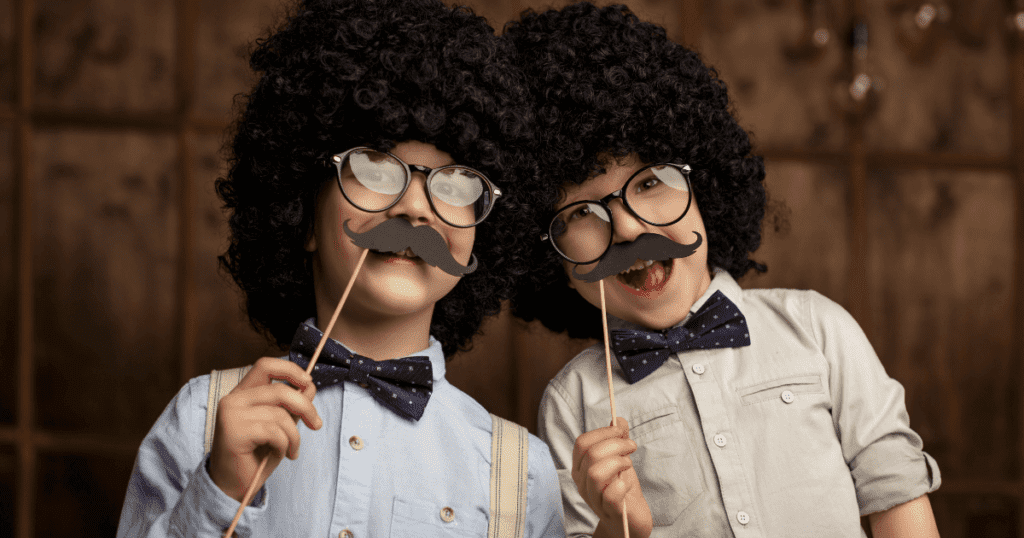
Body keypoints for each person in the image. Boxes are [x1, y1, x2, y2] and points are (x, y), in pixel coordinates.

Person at [116, 0, 564, 535]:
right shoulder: (200, 420)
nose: (414, 208)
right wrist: (220, 493)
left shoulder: (523, 474)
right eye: (375, 168)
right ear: (302, 214)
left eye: (455, 183)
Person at [503, 3, 941, 537]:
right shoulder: (572, 404)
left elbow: (895, 491)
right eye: (581, 213)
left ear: (707, 187)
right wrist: (618, 531)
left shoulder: (817, 329)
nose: (626, 230)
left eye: (648, 183)